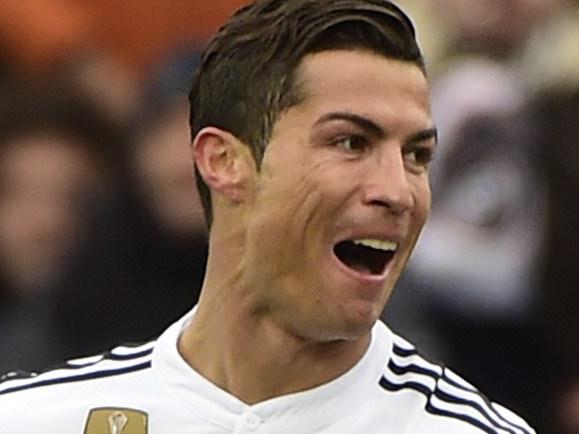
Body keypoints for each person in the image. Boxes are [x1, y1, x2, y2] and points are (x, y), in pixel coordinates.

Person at [0, 1, 536, 432]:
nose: (399, 191)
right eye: (351, 142)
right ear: (224, 161)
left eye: (417, 156)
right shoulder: (35, 419)